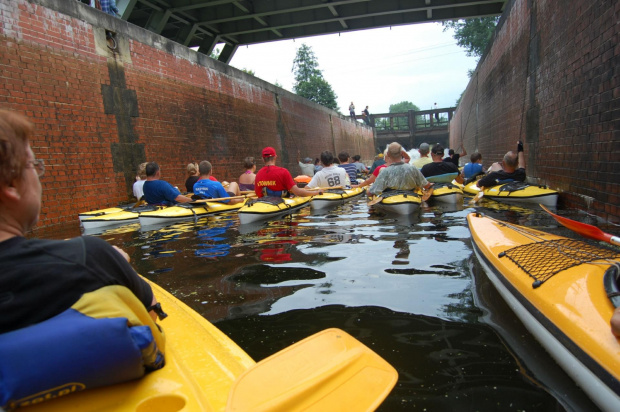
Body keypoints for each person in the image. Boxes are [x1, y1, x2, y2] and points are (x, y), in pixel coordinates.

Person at [0, 111, 163, 399]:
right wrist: (117, 265)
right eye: (34, 167)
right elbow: (153, 329)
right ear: (11, 185)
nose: (38, 176)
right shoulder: (92, 258)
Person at [368, 142, 432, 196]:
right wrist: (431, 184)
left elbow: (372, 191)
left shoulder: (384, 171)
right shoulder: (412, 168)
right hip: (411, 196)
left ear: (388, 154)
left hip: (391, 197)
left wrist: (368, 191)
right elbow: (426, 185)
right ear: (402, 153)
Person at [254, 147, 322, 198]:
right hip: (282, 204)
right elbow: (298, 192)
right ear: (275, 157)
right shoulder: (283, 172)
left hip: (263, 203)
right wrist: (316, 192)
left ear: (262, 159)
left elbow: (258, 194)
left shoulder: (258, 174)